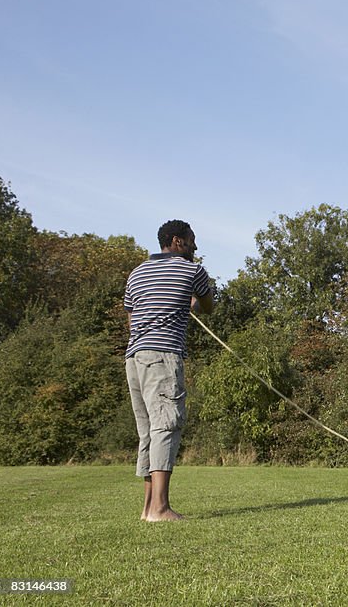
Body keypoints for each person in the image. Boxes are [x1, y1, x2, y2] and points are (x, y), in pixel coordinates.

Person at [124, 220, 214, 521]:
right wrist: (192, 305)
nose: (195, 247)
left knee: (147, 430)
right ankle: (160, 509)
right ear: (177, 241)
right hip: (162, 355)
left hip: (134, 357)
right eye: (192, 240)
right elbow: (208, 305)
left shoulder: (136, 273)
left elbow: (132, 318)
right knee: (166, 424)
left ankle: (148, 508)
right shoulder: (192, 270)